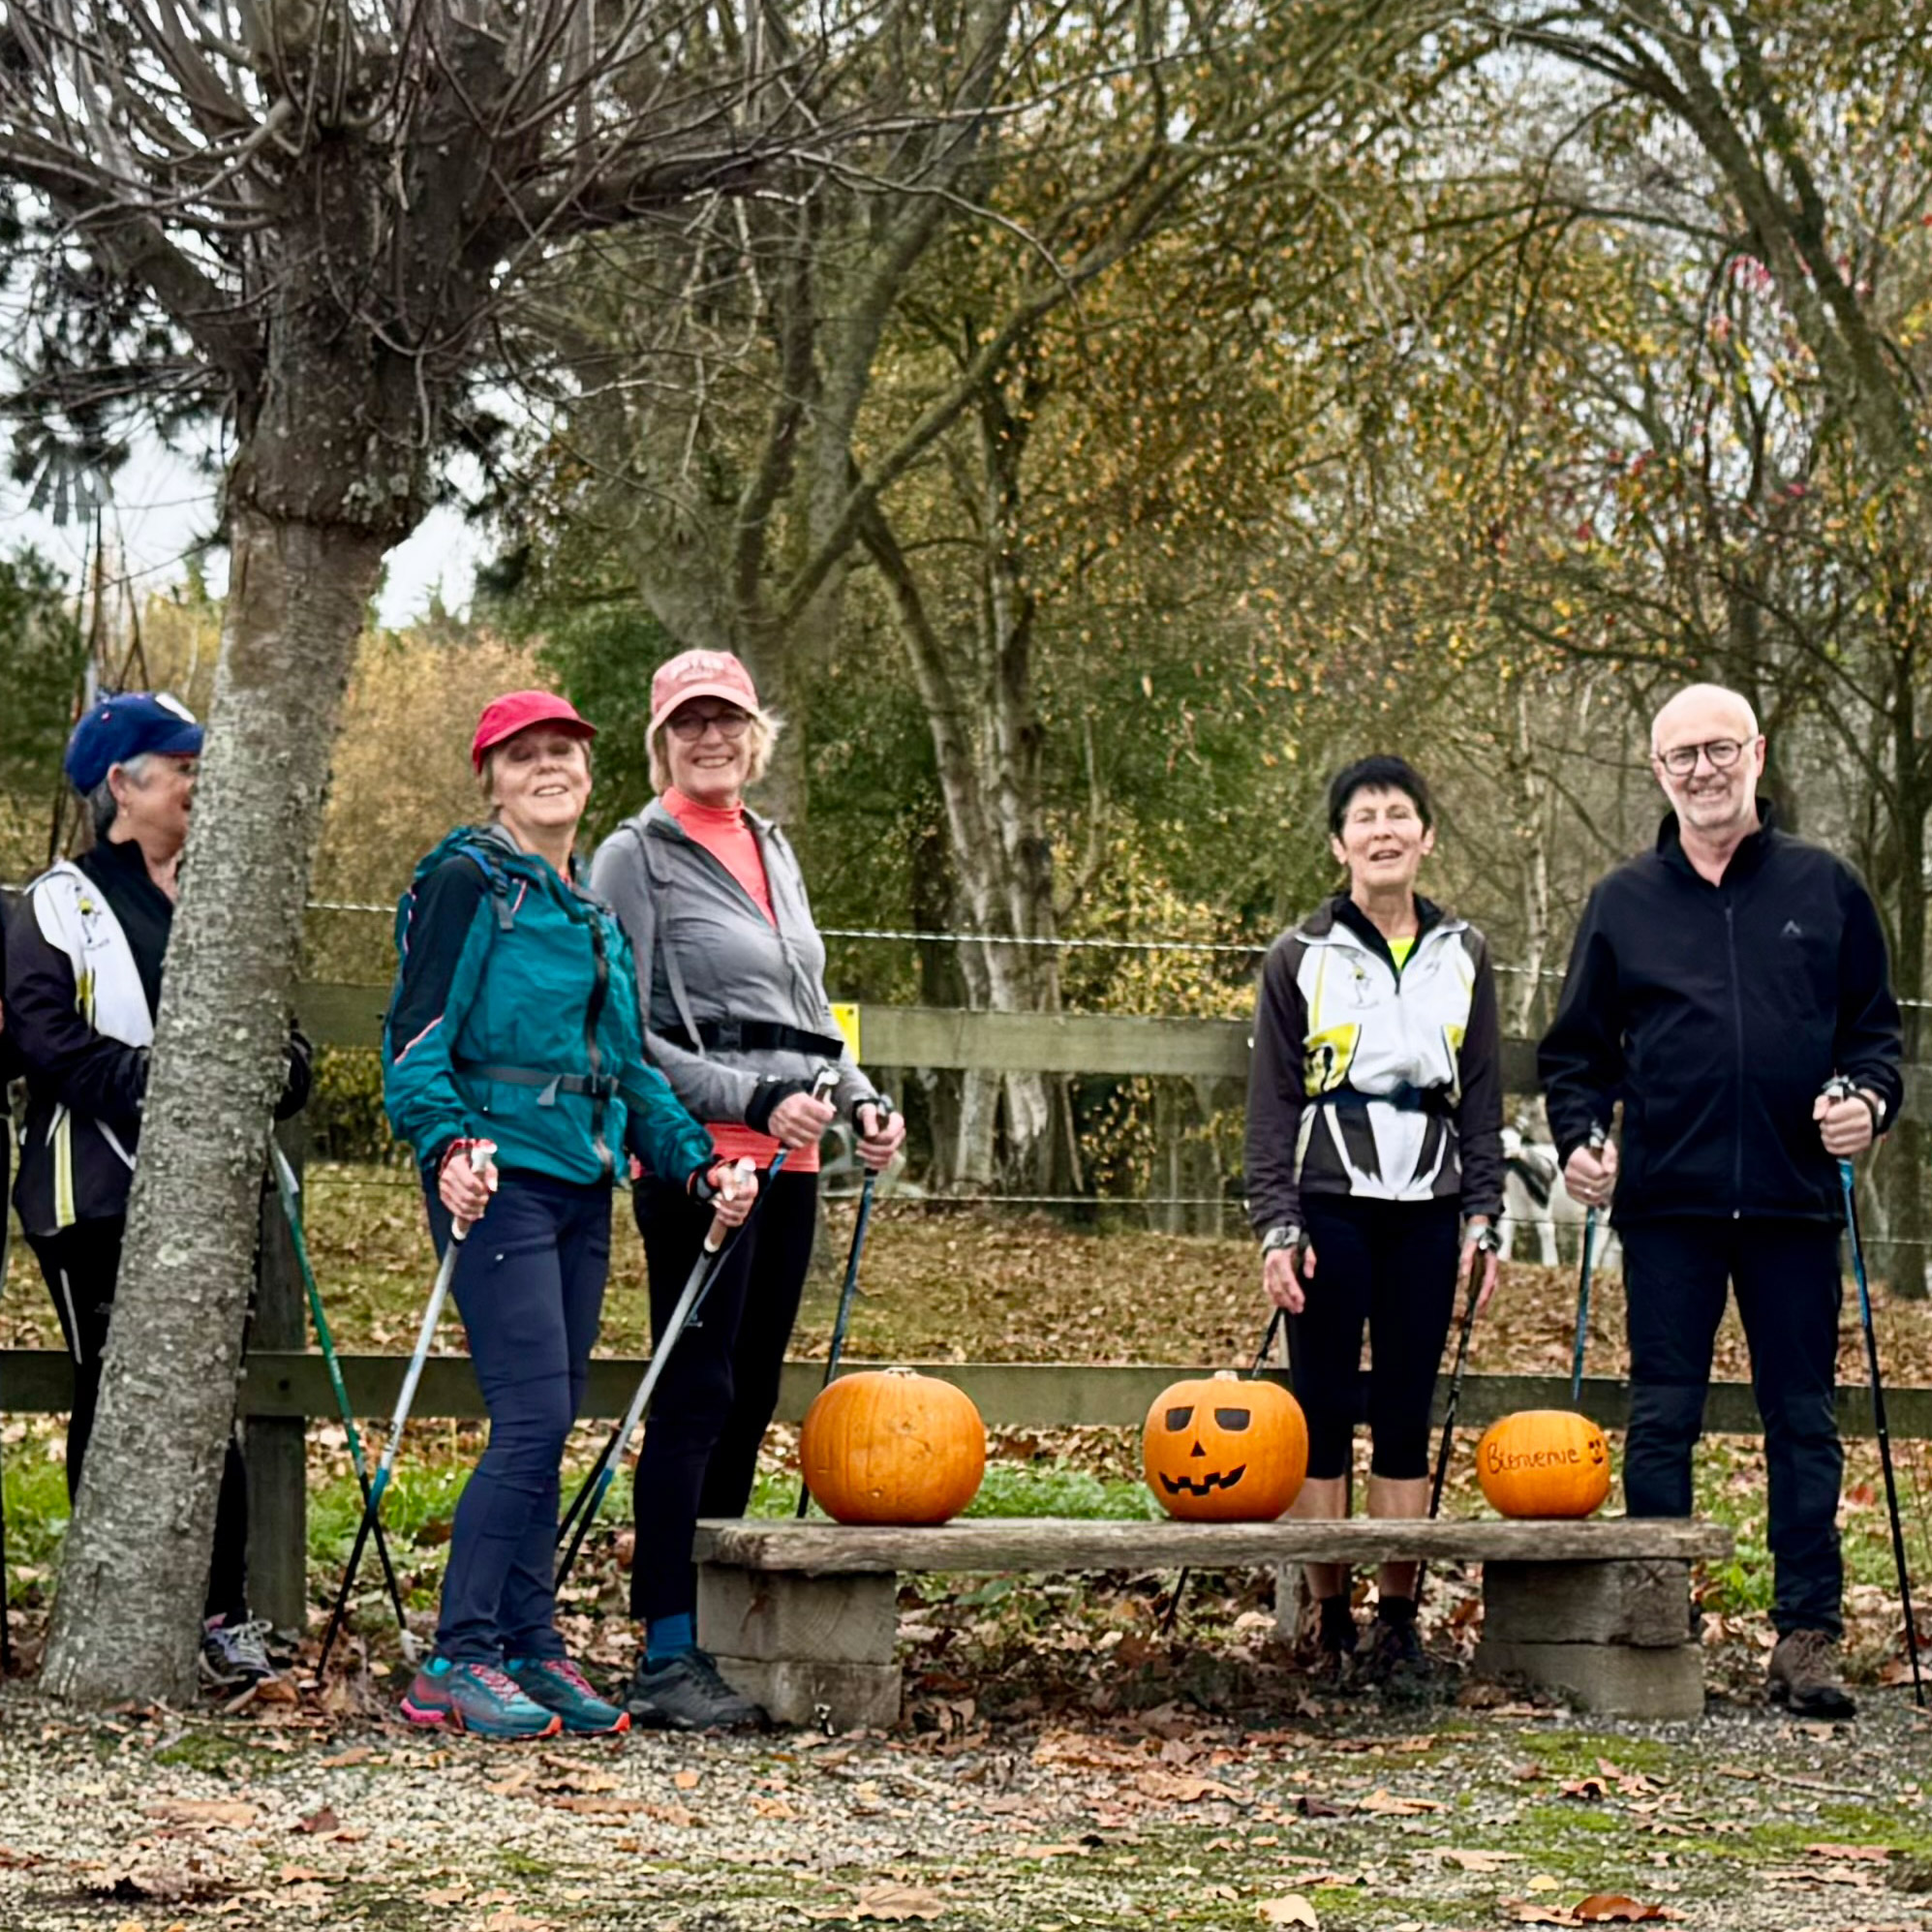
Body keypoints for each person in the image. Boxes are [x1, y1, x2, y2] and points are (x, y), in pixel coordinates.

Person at [383, 690, 755, 1740]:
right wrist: (450, 1146)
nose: (551, 769)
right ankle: (455, 1657)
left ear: (591, 775)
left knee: (549, 1420)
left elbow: (634, 1072)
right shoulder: (465, 882)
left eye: (567, 754)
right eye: (526, 755)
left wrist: (701, 1168)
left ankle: (531, 1646)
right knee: (534, 1415)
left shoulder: (588, 915)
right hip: (496, 1178)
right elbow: (415, 1042)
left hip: (582, 1183)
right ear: (492, 776)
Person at [1540, 684, 1902, 1721]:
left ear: (1757, 754)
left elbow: (1874, 1036)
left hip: (1792, 1204)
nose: (1701, 770)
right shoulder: (1623, 902)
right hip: (1668, 1206)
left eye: (1718, 749)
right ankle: (1660, 1630)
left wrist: (1866, 1103)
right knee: (1661, 1420)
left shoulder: (1825, 890)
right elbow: (1577, 1055)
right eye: (1679, 756)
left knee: (1803, 1422)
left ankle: (1807, 1638)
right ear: (1657, 773)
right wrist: (1581, 1141)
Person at [591, 648, 906, 1732]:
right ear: (661, 740)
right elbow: (624, 1035)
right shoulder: (634, 856)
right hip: (701, 1154)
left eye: (726, 719)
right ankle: (665, 1642)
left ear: (754, 732)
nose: (709, 738)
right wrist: (753, 1094)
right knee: (696, 1390)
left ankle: (717, 1624)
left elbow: (808, 1009)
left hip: (796, 1151)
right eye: (688, 724)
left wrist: (861, 1099)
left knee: (756, 1386)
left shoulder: (772, 844)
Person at [4, 691, 311, 1688]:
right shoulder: (63, 901)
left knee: (205, 1405)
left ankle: (219, 1613)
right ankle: (112, 1607)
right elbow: (51, 1046)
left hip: (213, 1202)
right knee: (118, 1390)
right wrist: (186, 1094)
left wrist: (268, 1073)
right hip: (88, 1190)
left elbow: (286, 1051)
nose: (198, 781)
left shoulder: (229, 905)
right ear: (123, 785)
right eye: (182, 765)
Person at [1245, 754, 1503, 1685]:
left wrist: (1484, 1211)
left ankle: (1398, 1620)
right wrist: (1275, 1223)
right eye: (1364, 816)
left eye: (1400, 814)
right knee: (1318, 1410)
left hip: (1428, 1208)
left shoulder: (1464, 953)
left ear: (1426, 837)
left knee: (1403, 1407)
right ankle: (1328, 1615)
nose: (1383, 829)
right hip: (1327, 1206)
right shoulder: (1300, 955)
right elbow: (1271, 1101)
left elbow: (1480, 1095)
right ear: (1338, 842)